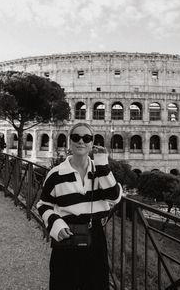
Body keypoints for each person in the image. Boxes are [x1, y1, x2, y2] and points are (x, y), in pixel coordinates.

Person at [37, 122, 123, 290]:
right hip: (65, 235)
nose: (81, 142)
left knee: (96, 284)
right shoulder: (56, 174)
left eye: (87, 138)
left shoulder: (101, 170)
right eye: (76, 137)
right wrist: (56, 224)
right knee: (63, 284)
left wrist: (102, 163)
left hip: (95, 236)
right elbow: (43, 204)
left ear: (92, 143)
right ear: (70, 141)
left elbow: (114, 196)